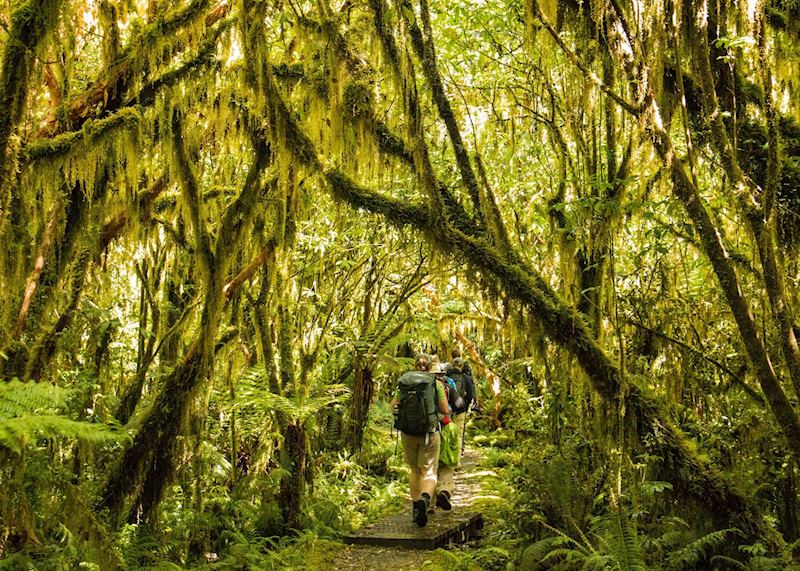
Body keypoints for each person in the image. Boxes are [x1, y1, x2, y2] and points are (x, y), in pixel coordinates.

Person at [392, 354, 450, 527]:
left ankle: (416, 507)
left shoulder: (404, 383)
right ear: (430, 366)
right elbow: (445, 409)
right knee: (429, 471)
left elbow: (393, 405)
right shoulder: (436, 384)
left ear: (415, 365)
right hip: (429, 433)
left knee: (415, 471)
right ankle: (424, 499)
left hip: (408, 433)